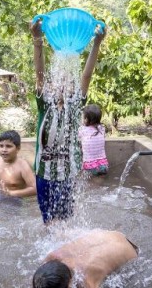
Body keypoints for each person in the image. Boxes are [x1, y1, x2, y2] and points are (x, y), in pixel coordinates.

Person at [30, 18, 106, 224]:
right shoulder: (45, 105)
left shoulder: (74, 108)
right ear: (50, 86)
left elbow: (87, 76)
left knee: (64, 221)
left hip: (67, 174)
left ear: (74, 88)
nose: (63, 84)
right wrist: (37, 39)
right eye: (58, 81)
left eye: (69, 81)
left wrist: (97, 44)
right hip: (43, 173)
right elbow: (39, 74)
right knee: (48, 221)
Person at [32, 229, 138, 288]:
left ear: (70, 284)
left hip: (131, 251)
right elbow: (41, 279)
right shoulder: (54, 255)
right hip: (114, 235)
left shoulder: (86, 280)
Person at [0, 130, 36, 198]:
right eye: (1, 146)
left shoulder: (23, 166)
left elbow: (35, 189)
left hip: (15, 201)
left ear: (18, 148)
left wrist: (10, 193)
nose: (4, 150)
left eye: (8, 146)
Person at [78, 104, 109, 176]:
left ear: (86, 119)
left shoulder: (83, 130)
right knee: (99, 185)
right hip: (103, 165)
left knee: (90, 185)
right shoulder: (102, 128)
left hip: (90, 165)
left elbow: (77, 137)